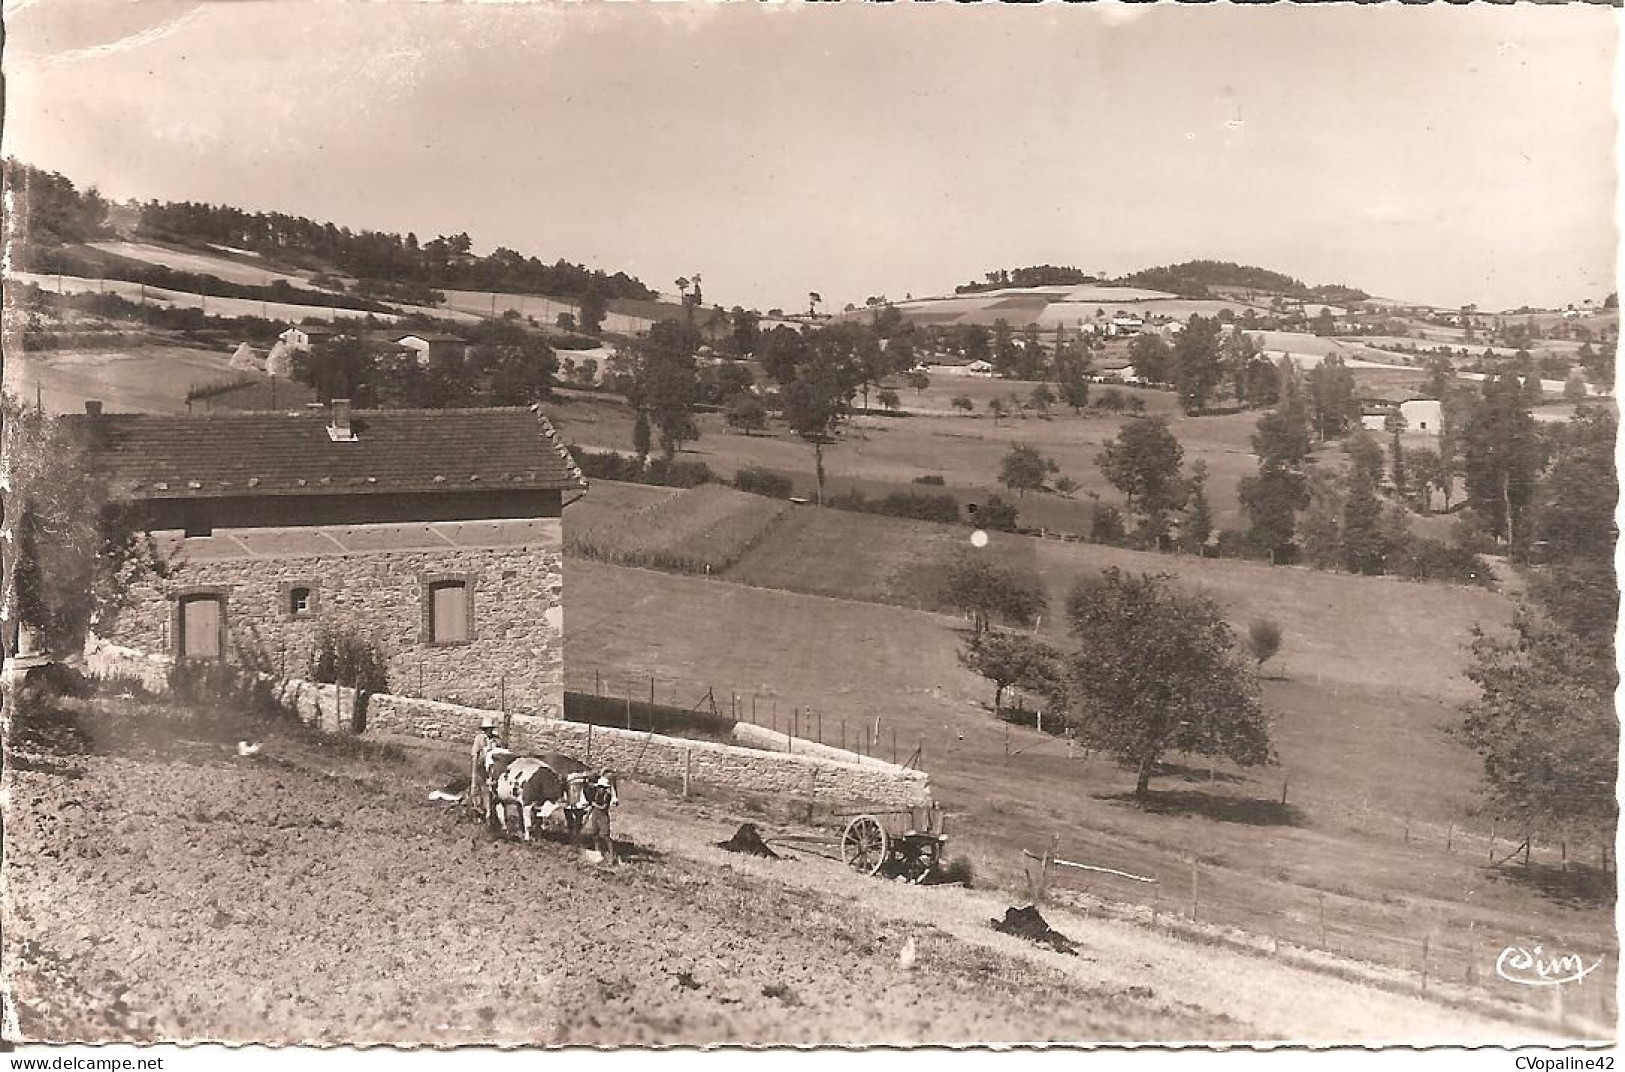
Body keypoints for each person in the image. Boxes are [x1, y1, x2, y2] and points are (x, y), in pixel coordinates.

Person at [469, 715, 502, 821]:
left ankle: (491, 813)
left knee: (491, 791)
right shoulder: (479, 739)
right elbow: (475, 755)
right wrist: (474, 772)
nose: (488, 731)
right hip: (481, 767)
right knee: (477, 789)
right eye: (486, 729)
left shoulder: (496, 740)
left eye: (490, 729)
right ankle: (479, 811)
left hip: (493, 769)